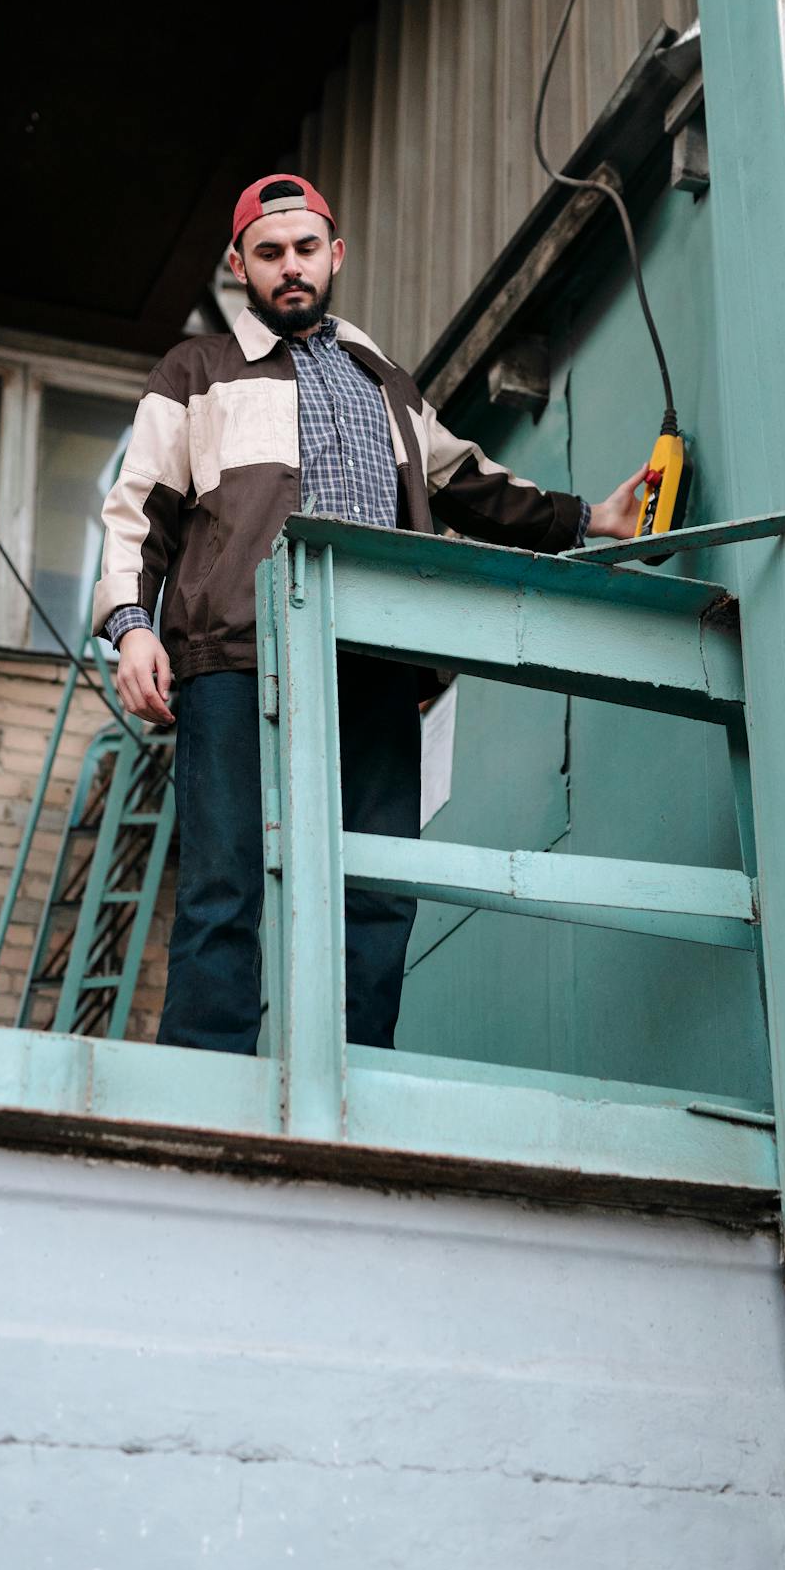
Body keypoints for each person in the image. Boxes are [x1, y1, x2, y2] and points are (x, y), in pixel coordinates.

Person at [95, 173, 649, 1055]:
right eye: (268, 253)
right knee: (222, 881)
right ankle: (203, 1086)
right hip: (236, 658)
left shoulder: (379, 376)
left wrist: (589, 520)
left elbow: (469, 481)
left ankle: (356, 1078)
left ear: (334, 255)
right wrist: (130, 627)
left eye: (304, 250)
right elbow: (137, 512)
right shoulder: (194, 372)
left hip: (375, 659)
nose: (289, 269)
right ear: (239, 266)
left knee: (381, 887)